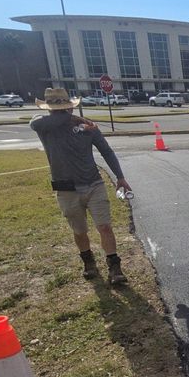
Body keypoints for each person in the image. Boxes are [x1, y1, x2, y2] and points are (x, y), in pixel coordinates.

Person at [31, 87, 133, 285]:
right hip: (66, 188)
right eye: (58, 109)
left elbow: (106, 151)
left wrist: (120, 177)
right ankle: (88, 262)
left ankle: (114, 266)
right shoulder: (44, 127)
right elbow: (34, 122)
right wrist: (72, 118)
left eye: (65, 108)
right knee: (79, 231)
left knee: (104, 226)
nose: (63, 112)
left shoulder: (87, 127)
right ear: (49, 109)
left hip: (94, 184)